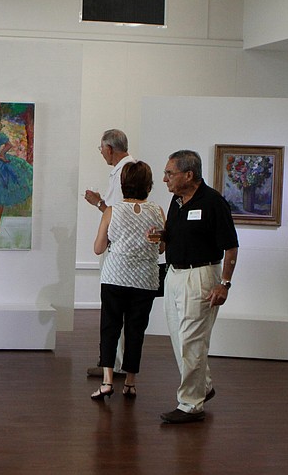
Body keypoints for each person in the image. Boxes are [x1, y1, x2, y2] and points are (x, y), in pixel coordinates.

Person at [157, 150, 238, 424]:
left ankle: (191, 404)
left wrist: (224, 285)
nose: (165, 179)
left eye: (170, 173)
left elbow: (231, 247)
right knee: (179, 339)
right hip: (174, 275)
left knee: (192, 341)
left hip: (201, 276)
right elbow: (172, 234)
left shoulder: (214, 202)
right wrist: (160, 236)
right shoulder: (177, 200)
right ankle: (203, 386)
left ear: (188, 175)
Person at [90, 161, 164, 401]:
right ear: (148, 185)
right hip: (145, 279)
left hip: (115, 277)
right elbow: (161, 248)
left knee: (110, 327)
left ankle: (107, 381)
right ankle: (130, 382)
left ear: (123, 183)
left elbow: (98, 248)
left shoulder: (112, 211)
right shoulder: (157, 211)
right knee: (136, 330)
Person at [83, 129, 136, 378]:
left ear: (110, 148)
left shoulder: (126, 171)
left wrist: (97, 202)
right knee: (118, 310)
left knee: (115, 309)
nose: (101, 153)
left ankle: (114, 364)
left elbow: (117, 214)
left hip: (118, 251)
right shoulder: (123, 170)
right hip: (120, 249)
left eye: (101, 148)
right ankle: (114, 362)